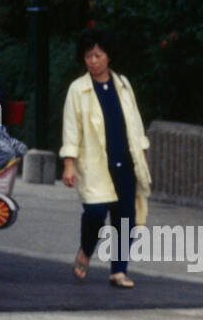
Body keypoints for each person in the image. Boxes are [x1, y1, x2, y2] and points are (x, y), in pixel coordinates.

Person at [59, 28, 152, 289]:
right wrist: (69, 163)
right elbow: (71, 128)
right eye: (88, 56)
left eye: (98, 55)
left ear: (108, 57)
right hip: (95, 164)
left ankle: (119, 271)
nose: (93, 61)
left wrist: (142, 157)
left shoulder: (123, 84)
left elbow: (135, 122)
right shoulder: (78, 90)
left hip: (125, 160)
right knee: (95, 212)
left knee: (125, 217)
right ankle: (86, 250)